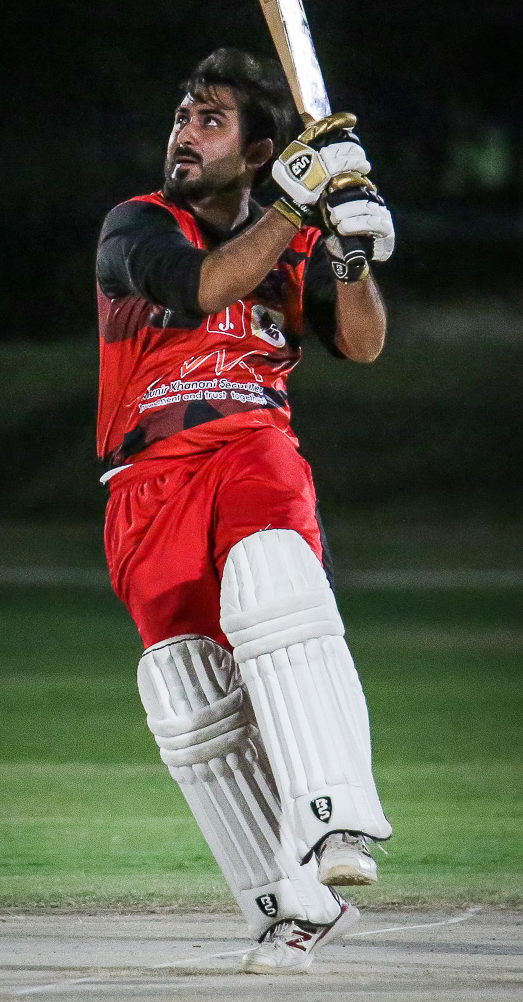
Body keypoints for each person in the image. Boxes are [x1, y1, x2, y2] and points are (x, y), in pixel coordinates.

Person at [96, 48, 394, 974]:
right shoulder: (137, 225)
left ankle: (338, 817)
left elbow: (361, 342)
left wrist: (349, 251)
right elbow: (199, 287)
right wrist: (297, 205)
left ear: (259, 150)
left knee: (276, 590)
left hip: (249, 448)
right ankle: (293, 905)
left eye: (210, 120)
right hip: (145, 484)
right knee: (189, 698)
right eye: (182, 116)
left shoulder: (294, 241)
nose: (184, 133)